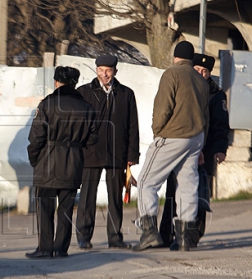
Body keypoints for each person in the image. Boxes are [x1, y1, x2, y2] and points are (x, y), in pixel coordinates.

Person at [134, 40, 210, 252]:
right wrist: (201, 144)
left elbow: (163, 107)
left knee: (146, 182)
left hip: (173, 136)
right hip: (195, 138)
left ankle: (149, 232)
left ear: (176, 57)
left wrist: (158, 132)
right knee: (187, 186)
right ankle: (185, 237)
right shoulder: (201, 81)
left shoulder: (172, 74)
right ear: (191, 58)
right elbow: (206, 115)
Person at [159, 53, 230, 249]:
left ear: (209, 74)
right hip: (182, 147)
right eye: (197, 70)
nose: (200, 73)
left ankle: (192, 236)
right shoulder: (183, 88)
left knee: (198, 195)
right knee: (173, 191)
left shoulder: (216, 95)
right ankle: (166, 233)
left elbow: (220, 126)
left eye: (204, 71)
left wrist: (220, 149)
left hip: (204, 151)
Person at [26, 66, 97, 259]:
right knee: (66, 209)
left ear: (57, 83)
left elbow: (36, 137)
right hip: (73, 162)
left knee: (45, 209)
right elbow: (92, 139)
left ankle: (45, 248)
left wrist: (34, 159)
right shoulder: (87, 107)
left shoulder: (47, 105)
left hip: (47, 161)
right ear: (75, 84)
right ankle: (60, 248)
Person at [75, 54, 139, 250]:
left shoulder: (126, 94)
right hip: (91, 153)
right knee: (87, 197)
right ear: (96, 71)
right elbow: (78, 125)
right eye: (101, 70)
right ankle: (84, 237)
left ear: (115, 72)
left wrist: (131, 156)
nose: (105, 74)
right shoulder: (84, 92)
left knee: (115, 198)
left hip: (116, 154)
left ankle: (115, 237)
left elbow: (132, 126)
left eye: (108, 71)